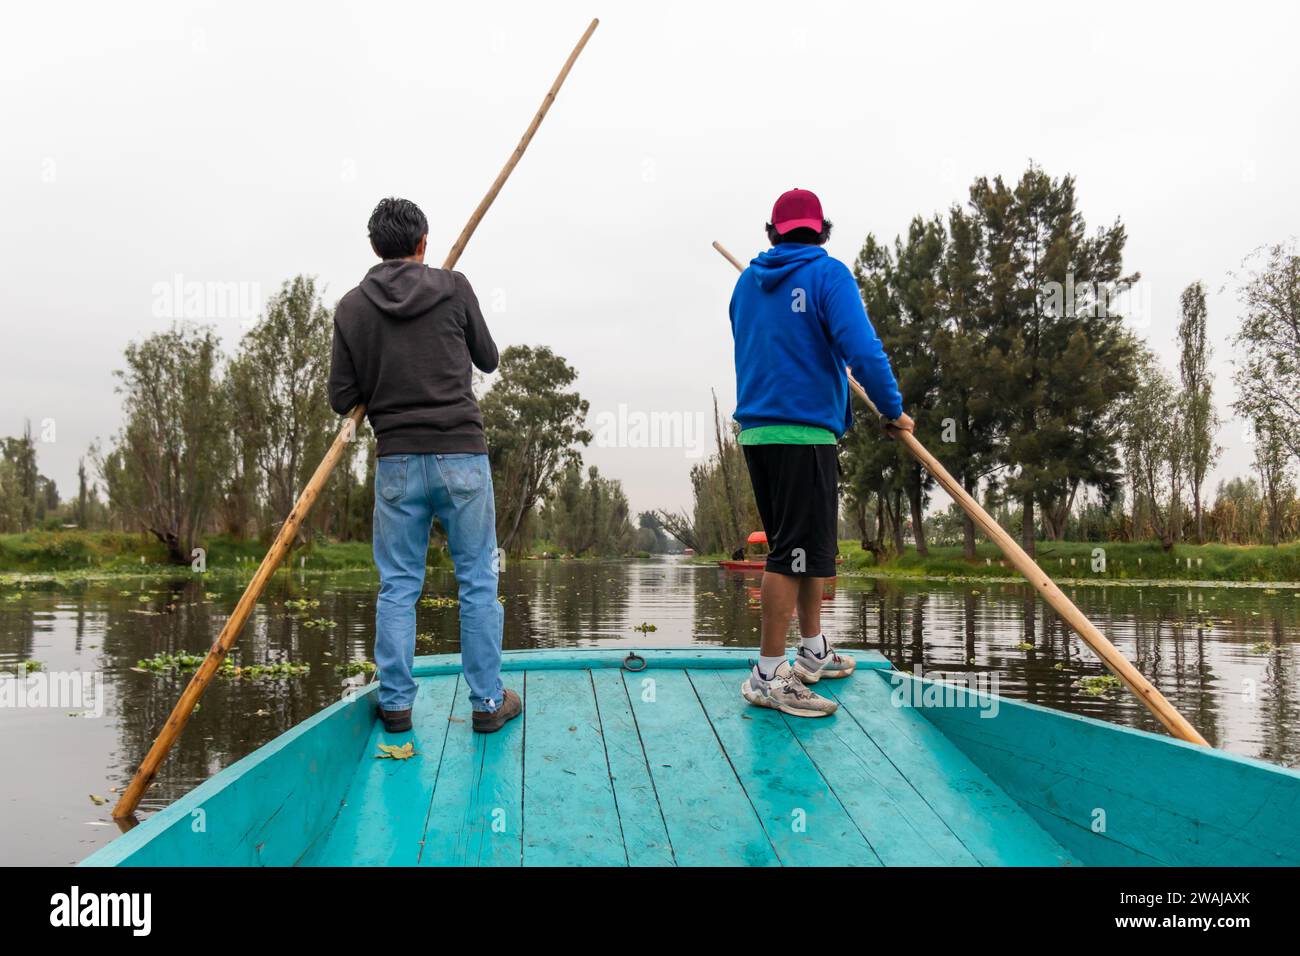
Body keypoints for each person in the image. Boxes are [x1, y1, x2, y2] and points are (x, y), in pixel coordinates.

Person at [329, 197, 521, 735]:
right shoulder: (453, 287)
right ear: (422, 243)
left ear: (374, 247)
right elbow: (489, 357)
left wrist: (380, 368)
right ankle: (487, 704)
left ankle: (395, 705)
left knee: (397, 586)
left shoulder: (350, 307)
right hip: (460, 455)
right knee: (478, 581)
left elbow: (342, 397)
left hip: (397, 464)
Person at [728, 188, 914, 717]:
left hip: (758, 434)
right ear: (821, 231)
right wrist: (892, 409)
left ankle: (812, 651)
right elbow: (864, 350)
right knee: (791, 551)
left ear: (773, 233)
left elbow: (771, 346)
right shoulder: (828, 275)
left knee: (810, 548)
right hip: (802, 433)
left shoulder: (746, 284)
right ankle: (767, 675)